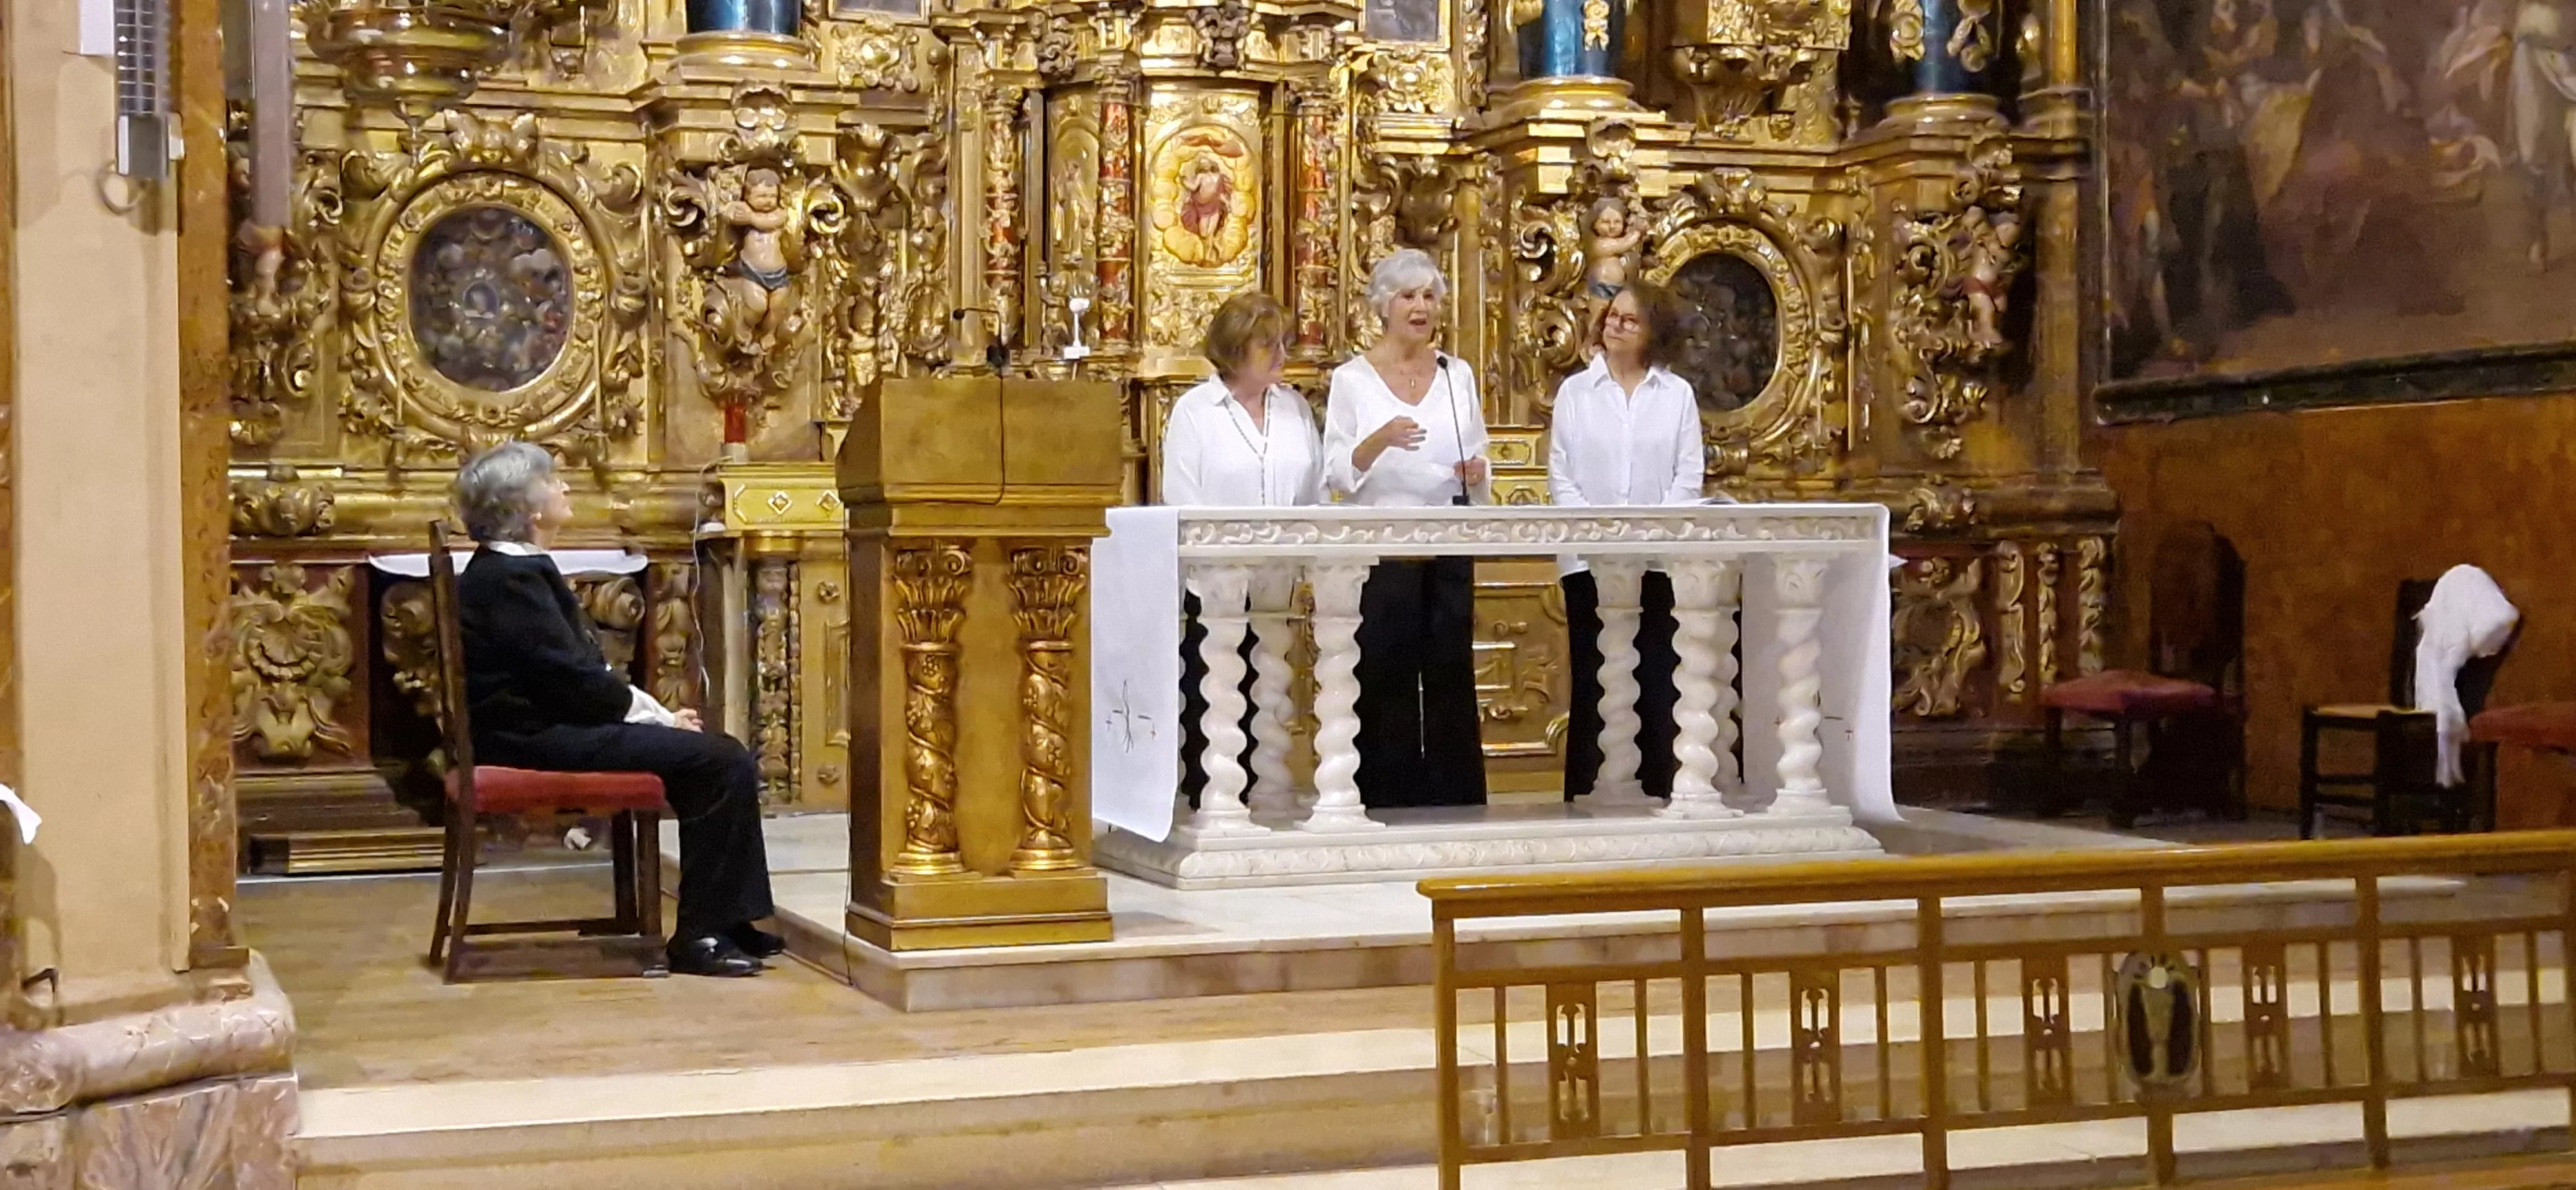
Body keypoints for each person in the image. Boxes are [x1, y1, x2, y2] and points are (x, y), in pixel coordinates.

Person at [451, 442, 778, 978]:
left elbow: (576, 674)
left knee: (716, 756)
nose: (564, 487)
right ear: (527, 507)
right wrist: (656, 720)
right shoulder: (509, 579)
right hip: (531, 738)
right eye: (552, 481)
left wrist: (655, 718)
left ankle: (725, 918)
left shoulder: (513, 571)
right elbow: (569, 681)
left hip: (542, 727)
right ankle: (700, 936)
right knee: (719, 761)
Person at [1322, 249, 1492, 809]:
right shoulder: (1353, 380)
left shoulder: (1455, 375)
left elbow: (1479, 451)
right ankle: (1388, 797)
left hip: (1447, 540)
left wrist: (1477, 471)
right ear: (1383, 306)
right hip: (1383, 547)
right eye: (1408, 296)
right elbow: (1336, 472)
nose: (1421, 307)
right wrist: (1379, 441)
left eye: (1429, 296)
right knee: (1387, 671)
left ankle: (1455, 798)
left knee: (1449, 670)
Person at [1548, 283, 1710, 804]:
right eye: (1612, 316)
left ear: (1653, 332)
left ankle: (1656, 790)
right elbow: (1562, 474)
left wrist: (1651, 530)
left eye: (1629, 319)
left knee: (1655, 674)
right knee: (1596, 677)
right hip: (1588, 560)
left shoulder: (1676, 395)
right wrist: (1597, 532)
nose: (1615, 325)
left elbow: (1688, 475)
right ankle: (1588, 792)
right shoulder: (1577, 392)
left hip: (1657, 560)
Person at [1162, 292, 1324, 805]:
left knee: (1270, 694)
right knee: (1215, 696)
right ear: (1235, 348)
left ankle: (1268, 799)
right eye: (1267, 344)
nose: (1281, 355)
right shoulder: (1196, 412)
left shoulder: (1294, 408)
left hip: (1277, 583)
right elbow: (1181, 497)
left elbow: (1314, 490)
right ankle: (1210, 801)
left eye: (1283, 343)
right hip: (1216, 586)